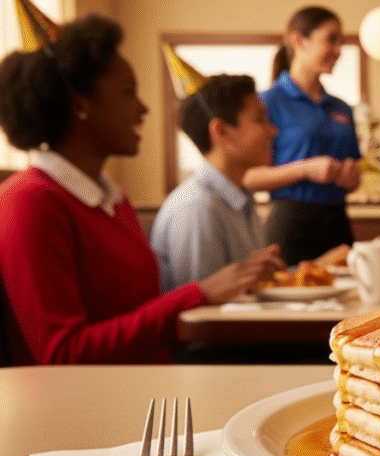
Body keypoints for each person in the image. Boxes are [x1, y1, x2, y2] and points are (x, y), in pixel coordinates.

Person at [0, 14, 281, 365]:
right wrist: (199, 294)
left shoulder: (112, 198)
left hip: (148, 387)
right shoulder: (30, 201)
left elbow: (144, 320)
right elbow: (63, 355)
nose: (144, 107)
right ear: (80, 104)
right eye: (128, 92)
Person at [151, 73, 346, 291]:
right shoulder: (198, 208)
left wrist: (317, 267)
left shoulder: (240, 197)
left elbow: (252, 287)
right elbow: (203, 316)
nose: (273, 131)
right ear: (221, 132)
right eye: (260, 119)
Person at [243, 5, 361, 266]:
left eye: (341, 42)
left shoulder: (342, 108)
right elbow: (247, 177)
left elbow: (355, 179)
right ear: (299, 41)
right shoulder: (267, 103)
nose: (339, 50)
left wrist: (352, 176)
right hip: (290, 226)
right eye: (331, 39)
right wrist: (305, 169)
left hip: (338, 223)